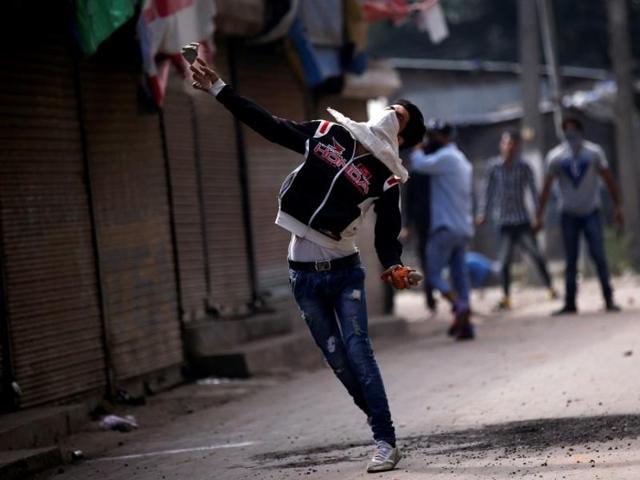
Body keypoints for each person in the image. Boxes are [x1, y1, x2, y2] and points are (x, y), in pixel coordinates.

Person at [190, 57, 425, 473]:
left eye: (401, 115)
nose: (392, 111)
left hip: (344, 272)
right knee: (338, 361)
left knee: (359, 352)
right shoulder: (329, 133)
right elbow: (270, 126)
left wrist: (395, 266)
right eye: (394, 106)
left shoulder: (386, 179)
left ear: (402, 138)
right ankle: (378, 422)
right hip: (303, 278)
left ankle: (385, 441)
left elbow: (387, 236)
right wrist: (219, 89)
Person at [534, 117, 623, 315]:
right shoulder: (556, 157)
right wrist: (539, 215)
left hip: (591, 210)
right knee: (571, 260)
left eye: (574, 130)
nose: (570, 135)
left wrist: (618, 207)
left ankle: (608, 298)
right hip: (568, 214)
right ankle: (570, 302)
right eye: (567, 131)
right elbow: (546, 188)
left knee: (599, 256)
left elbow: (608, 180)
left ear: (581, 132)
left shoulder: (594, 153)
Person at [409, 120, 475, 340]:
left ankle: (458, 305)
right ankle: (466, 326)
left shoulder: (445, 158)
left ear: (444, 137)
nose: (431, 140)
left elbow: (418, 164)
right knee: (460, 277)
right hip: (463, 228)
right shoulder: (463, 160)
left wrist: (418, 145)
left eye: (434, 136)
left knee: (433, 274)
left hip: (445, 228)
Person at [477, 130, 557, 311]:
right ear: (501, 146)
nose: (509, 148)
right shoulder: (494, 167)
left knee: (536, 255)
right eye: (506, 144)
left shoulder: (523, 167)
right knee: (504, 261)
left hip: (522, 221)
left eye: (512, 144)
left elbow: (533, 192)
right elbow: (486, 192)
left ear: (517, 146)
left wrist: (539, 216)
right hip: (503, 222)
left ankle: (550, 287)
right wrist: (482, 213)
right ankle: (506, 297)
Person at [400, 160, 438, 313]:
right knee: (426, 261)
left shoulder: (435, 168)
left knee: (434, 261)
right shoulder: (415, 171)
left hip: (438, 222)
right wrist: (407, 225)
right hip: (422, 224)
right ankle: (430, 300)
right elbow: (408, 201)